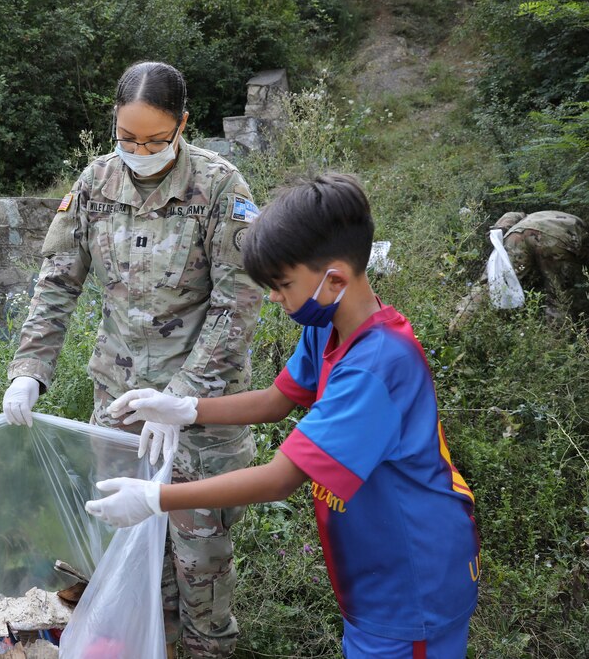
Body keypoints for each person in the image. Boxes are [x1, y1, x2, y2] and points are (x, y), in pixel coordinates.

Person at [86, 173, 481, 658]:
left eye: (282, 284)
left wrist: (155, 498)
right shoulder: (331, 325)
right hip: (375, 567)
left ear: (334, 279)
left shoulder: (378, 366)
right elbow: (278, 400)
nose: (274, 297)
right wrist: (186, 408)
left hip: (412, 578)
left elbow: (279, 480)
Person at [2, 61, 262, 658]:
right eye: (127, 138)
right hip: (119, 409)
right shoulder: (95, 185)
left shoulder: (221, 188)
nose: (139, 150)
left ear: (183, 126)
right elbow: (56, 285)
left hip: (202, 413)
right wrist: (28, 370)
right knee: (133, 561)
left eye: (154, 139)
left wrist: (184, 400)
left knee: (202, 570)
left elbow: (239, 303)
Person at [451, 210, 588, 329]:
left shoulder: (533, 215)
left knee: (494, 285)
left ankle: (457, 323)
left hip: (517, 236)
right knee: (560, 299)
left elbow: (510, 216)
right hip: (557, 240)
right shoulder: (579, 227)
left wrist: (500, 231)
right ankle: (559, 347)